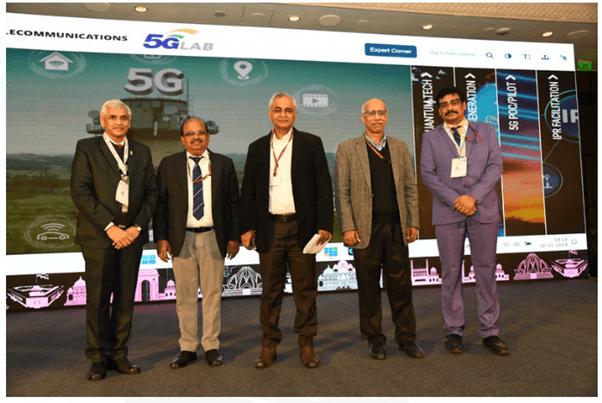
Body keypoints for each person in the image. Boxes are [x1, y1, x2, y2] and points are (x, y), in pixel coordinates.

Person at [240, 92, 333, 369]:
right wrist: (247, 227)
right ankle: (269, 345)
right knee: (270, 292)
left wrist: (325, 224)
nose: (283, 114)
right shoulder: (257, 147)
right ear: (270, 114)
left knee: (305, 291)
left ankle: (306, 344)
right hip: (270, 228)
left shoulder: (311, 143)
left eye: (288, 110)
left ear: (295, 114)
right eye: (278, 110)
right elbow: (249, 192)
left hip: (302, 229)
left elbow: (323, 185)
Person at [71, 99, 158, 381]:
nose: (119, 122)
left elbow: (152, 193)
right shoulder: (87, 148)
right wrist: (111, 228)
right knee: (97, 300)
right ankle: (98, 358)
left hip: (131, 237)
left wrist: (135, 228)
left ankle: (119, 354)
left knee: (124, 299)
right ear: (103, 121)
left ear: (129, 122)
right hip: (99, 236)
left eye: (123, 118)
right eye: (113, 117)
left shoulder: (141, 151)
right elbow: (80, 191)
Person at [420, 86, 508, 355]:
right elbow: (428, 173)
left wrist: (473, 197)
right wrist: (457, 200)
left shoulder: (486, 131)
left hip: (483, 210)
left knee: (486, 270)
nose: (449, 108)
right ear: (439, 110)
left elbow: (496, 166)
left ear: (464, 105)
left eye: (454, 102)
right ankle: (454, 330)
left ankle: (490, 331)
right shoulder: (430, 137)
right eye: (443, 104)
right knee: (450, 273)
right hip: (448, 212)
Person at [335, 98, 422, 361]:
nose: (376, 117)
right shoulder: (347, 148)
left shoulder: (400, 146)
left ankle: (406, 338)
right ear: (363, 117)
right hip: (364, 231)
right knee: (369, 288)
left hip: (397, 228)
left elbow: (410, 188)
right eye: (371, 113)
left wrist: (413, 222)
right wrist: (348, 227)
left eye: (381, 112)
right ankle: (375, 338)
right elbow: (342, 192)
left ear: (387, 116)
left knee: (401, 287)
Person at [153, 117, 241, 368]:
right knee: (185, 296)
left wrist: (234, 237)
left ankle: (211, 345)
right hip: (181, 238)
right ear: (182, 139)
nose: (196, 137)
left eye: (200, 132)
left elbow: (234, 203)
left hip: (214, 236)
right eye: (190, 134)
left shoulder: (224, 163)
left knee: (213, 295)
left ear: (208, 137)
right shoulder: (169, 164)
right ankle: (188, 347)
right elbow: (161, 205)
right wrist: (161, 238)